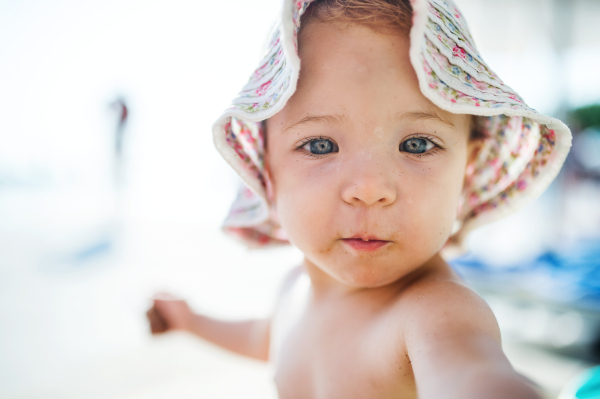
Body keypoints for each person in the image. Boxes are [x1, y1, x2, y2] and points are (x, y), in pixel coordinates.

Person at [146, 0, 572, 397]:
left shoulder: (434, 313)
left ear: (468, 167)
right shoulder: (296, 288)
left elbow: (470, 372)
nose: (369, 189)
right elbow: (268, 338)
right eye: (319, 146)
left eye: (418, 144)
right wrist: (192, 321)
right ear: (266, 168)